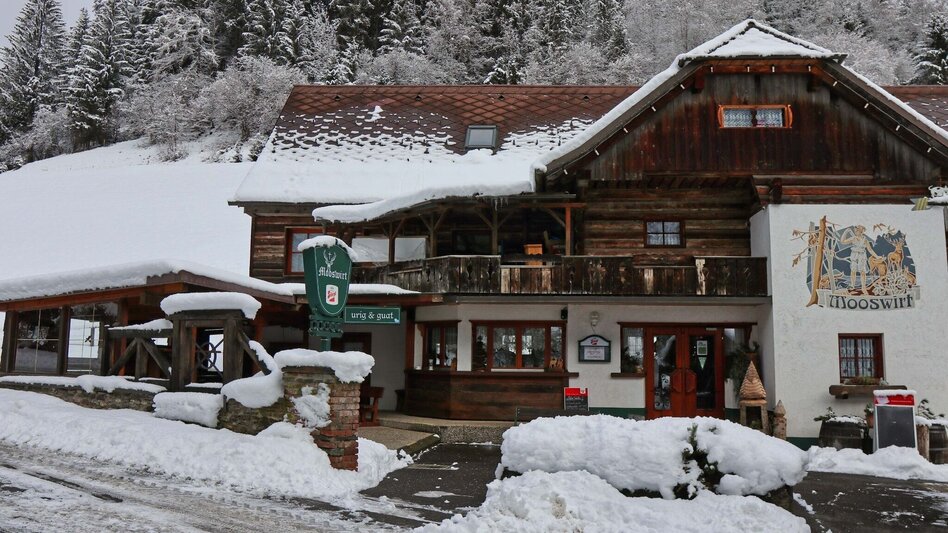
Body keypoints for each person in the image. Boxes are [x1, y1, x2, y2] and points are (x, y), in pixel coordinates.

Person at [840, 225, 879, 294]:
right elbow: (842, 241)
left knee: (862, 271)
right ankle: (852, 285)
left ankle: (863, 287)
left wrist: (877, 256)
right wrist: (845, 232)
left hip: (862, 256)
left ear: (862, 231)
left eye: (858, 230)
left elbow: (870, 250)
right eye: (856, 230)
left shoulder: (865, 240)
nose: (856, 231)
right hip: (854, 255)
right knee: (853, 270)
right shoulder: (853, 238)